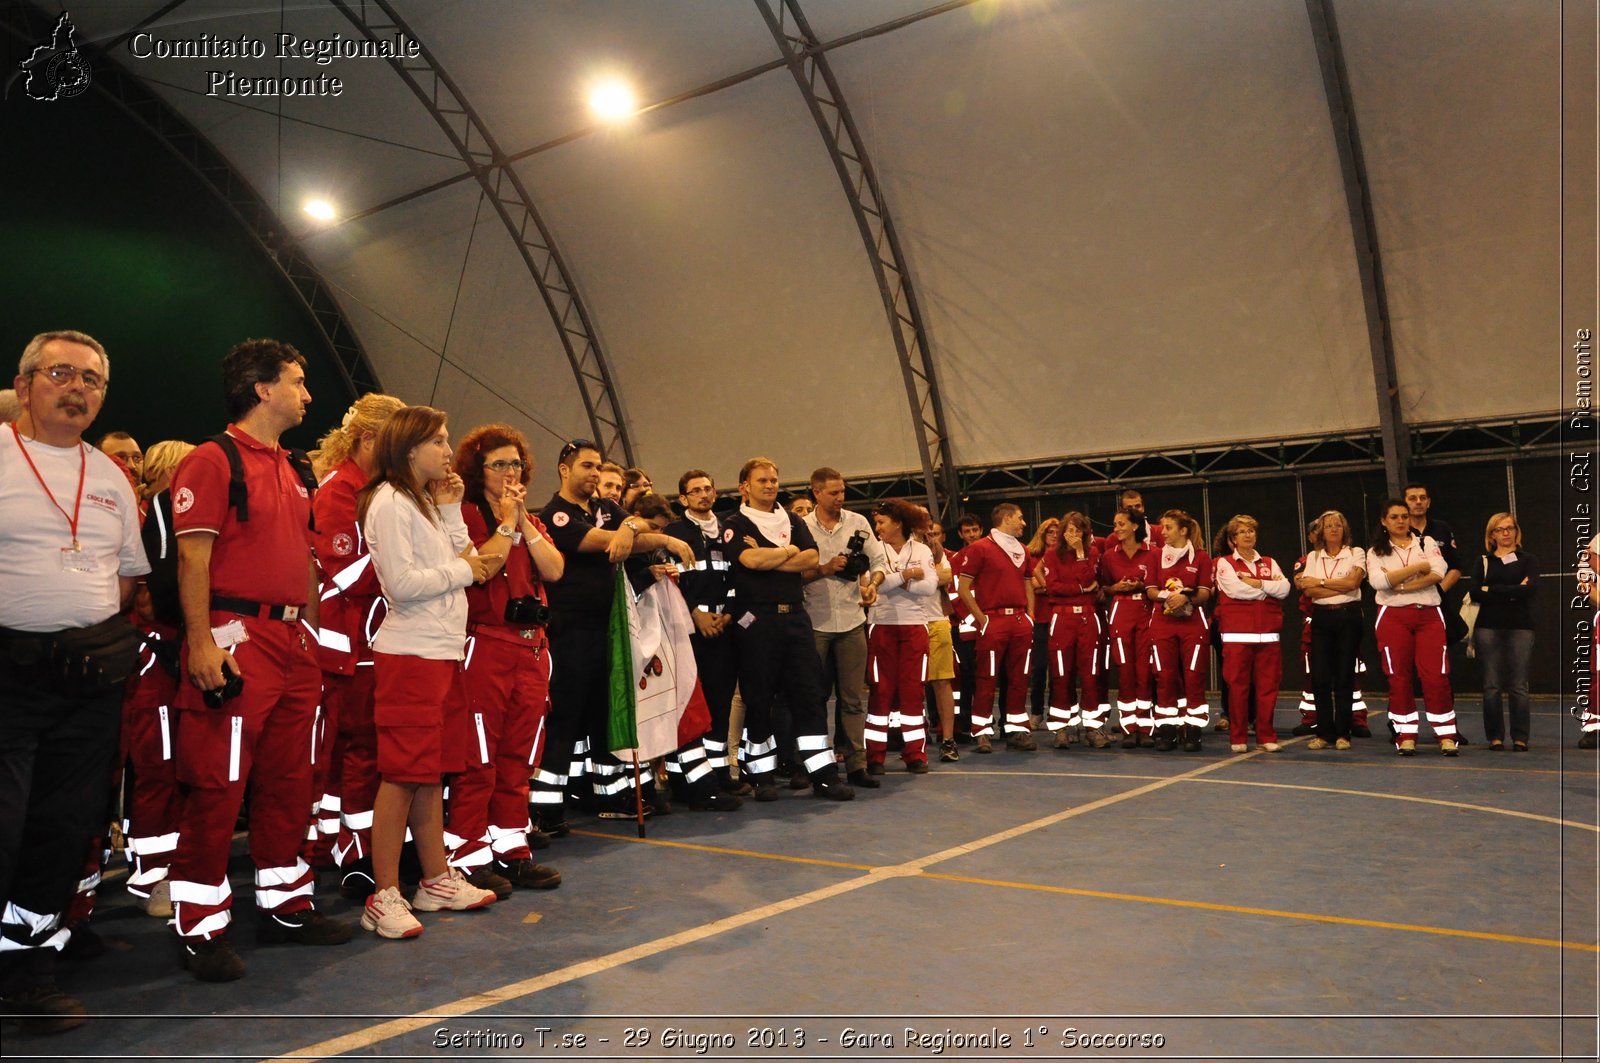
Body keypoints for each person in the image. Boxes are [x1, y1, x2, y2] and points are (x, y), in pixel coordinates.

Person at [167, 338, 352, 982]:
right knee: (219, 785)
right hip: (236, 637)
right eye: (298, 382)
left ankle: (284, 904)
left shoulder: (294, 466)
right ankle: (198, 924)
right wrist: (200, 643)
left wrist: (314, 639)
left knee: (289, 780)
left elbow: (305, 561)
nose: (308, 393)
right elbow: (192, 558)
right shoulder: (211, 461)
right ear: (262, 389)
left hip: (292, 643)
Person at [0, 330, 147, 1032]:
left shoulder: (113, 476)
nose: (78, 387)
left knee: (63, 831)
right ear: (25, 385)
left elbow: (124, 577)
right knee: (4, 825)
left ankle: (27, 970)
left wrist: (88, 631)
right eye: (61, 372)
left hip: (88, 682)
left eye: (93, 378)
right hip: (8, 675)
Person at [358, 406, 499, 940]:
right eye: (437, 441)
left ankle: (435, 878)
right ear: (408, 449)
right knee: (400, 775)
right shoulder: (390, 502)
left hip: (441, 654)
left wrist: (451, 510)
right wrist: (466, 570)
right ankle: (384, 893)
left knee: (430, 770)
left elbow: (461, 554)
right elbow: (402, 583)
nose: (447, 450)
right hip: (410, 656)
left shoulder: (421, 501)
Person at [531, 441, 693, 829]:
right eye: (586, 466)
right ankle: (545, 805)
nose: (594, 473)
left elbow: (643, 528)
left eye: (598, 466)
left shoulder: (606, 509)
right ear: (564, 470)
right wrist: (632, 535)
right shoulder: (557, 515)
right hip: (571, 630)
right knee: (566, 716)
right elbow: (599, 543)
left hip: (611, 626)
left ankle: (612, 794)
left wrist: (638, 529)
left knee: (609, 710)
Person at [447, 424, 565, 892]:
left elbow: (554, 568)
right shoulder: (465, 515)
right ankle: (469, 852)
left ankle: (512, 847)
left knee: (519, 756)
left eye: (515, 463)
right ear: (479, 471)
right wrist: (506, 524)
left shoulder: (528, 520)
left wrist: (522, 523)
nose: (509, 472)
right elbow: (483, 569)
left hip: (532, 648)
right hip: (487, 645)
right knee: (480, 755)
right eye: (499, 464)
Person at [306, 393, 405, 900]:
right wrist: (404, 555)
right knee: (351, 752)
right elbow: (348, 574)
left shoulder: (379, 488)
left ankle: (353, 846)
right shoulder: (339, 490)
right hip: (345, 644)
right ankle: (350, 853)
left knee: (369, 751)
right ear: (370, 438)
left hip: (377, 640)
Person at [727, 457, 853, 801]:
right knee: (759, 698)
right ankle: (762, 777)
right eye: (762, 480)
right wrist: (789, 552)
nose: (770, 485)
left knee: (809, 696)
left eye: (773, 480)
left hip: (795, 617)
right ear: (745, 487)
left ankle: (823, 775)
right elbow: (749, 562)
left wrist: (773, 556)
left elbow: (811, 558)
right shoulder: (736, 523)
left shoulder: (793, 519)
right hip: (756, 620)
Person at [122, 439, 196, 919]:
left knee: (179, 770)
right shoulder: (148, 520)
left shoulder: (172, 521)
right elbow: (148, 599)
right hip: (152, 661)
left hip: (175, 657)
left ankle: (173, 868)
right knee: (157, 770)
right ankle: (154, 877)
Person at [802, 467, 886, 789]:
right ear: (816, 493)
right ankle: (815, 766)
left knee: (852, 698)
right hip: (815, 622)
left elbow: (878, 562)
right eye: (833, 493)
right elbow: (794, 572)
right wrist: (825, 569)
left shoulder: (858, 523)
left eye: (842, 492)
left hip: (852, 621)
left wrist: (872, 584)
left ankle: (855, 765)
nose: (840, 498)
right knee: (814, 698)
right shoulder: (802, 527)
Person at [665, 470, 747, 794]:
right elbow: (671, 582)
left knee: (721, 702)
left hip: (723, 630)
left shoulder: (729, 530)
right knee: (686, 700)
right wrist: (694, 613)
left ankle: (719, 774)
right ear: (683, 498)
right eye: (695, 490)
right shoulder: (673, 533)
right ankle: (680, 777)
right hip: (688, 632)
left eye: (708, 488)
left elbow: (735, 580)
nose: (703, 494)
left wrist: (726, 616)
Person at [1367, 499, 1458, 756]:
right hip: (1392, 616)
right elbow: (1379, 581)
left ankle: (1446, 735)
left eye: (1404, 516)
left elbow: (1438, 572)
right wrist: (1419, 568)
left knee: (1436, 676)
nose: (1400, 521)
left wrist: (1402, 583)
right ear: (1384, 521)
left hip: (1429, 614)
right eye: (1394, 517)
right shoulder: (1375, 551)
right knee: (1398, 677)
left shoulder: (1426, 543)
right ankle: (1405, 735)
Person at [864, 499, 938, 774]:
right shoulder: (873, 548)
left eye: (882, 522)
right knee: (880, 692)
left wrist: (893, 579)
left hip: (915, 626)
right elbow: (874, 587)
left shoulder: (920, 549)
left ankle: (915, 755)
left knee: (913, 692)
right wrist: (908, 575)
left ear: (898, 522)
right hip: (881, 625)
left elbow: (930, 586)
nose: (877, 527)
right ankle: (875, 757)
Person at [956, 503, 1036, 753]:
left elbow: (1028, 584)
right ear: (1007, 518)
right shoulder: (980, 548)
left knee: (1019, 677)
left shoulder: (1023, 550)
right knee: (986, 678)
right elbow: (962, 589)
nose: (1024, 523)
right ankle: (981, 731)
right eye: (1020, 518)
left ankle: (1016, 730)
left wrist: (1030, 616)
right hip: (993, 621)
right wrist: (982, 619)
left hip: (1020, 622)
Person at [1212, 515, 1289, 754]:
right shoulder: (1224, 563)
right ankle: (1238, 736)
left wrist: (1256, 583)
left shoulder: (1269, 561)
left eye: (1251, 531)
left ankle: (1266, 735)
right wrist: (1267, 588)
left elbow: (1285, 589)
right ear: (1232, 539)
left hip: (1268, 636)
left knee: (1268, 688)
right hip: (1237, 637)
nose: (1248, 535)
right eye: (1242, 532)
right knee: (1238, 688)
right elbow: (1235, 591)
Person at [1293, 510, 1366, 750]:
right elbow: (1309, 592)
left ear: (1345, 529)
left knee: (1345, 676)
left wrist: (1321, 583)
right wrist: (1338, 587)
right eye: (1328, 526)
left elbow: (1353, 584)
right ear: (1321, 532)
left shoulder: (1356, 553)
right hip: (1322, 618)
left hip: (1348, 617)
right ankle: (1324, 734)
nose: (1334, 529)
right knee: (1321, 677)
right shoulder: (1313, 557)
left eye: (1338, 525)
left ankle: (1343, 733)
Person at [1034, 511, 1105, 748]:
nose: (1073, 535)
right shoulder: (1052, 555)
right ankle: (1062, 727)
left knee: (1090, 674)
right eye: (1070, 530)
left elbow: (1088, 580)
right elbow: (1053, 588)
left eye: (1078, 530)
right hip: (1061, 619)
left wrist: (1081, 556)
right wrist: (1082, 589)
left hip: (1087, 618)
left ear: (1085, 533)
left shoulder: (1092, 553)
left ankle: (1094, 728)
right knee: (1061, 674)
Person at [1145, 510, 1212, 752]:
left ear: (1183, 531)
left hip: (1193, 625)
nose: (1162, 532)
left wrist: (1186, 597)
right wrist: (1168, 597)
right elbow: (1151, 591)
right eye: (1162, 527)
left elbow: (1205, 593)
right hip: (1162, 624)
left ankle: (1193, 731)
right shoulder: (1155, 556)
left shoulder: (1201, 557)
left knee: (1194, 676)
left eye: (1168, 528)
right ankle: (1168, 732)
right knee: (1164, 676)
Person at [1469, 513, 1537, 751]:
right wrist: (1512, 589)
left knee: (1519, 686)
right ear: (1492, 535)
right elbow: (1476, 592)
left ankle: (1520, 737)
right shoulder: (1483, 561)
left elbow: (1530, 590)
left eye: (1510, 528)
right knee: (1492, 686)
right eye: (1500, 529)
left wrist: (1494, 589)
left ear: (1517, 532)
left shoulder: (1527, 560)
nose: (1506, 533)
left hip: (1520, 626)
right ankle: (1495, 736)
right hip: (1488, 627)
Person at [1098, 507, 1157, 747]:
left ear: (1135, 526)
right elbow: (1102, 589)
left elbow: (1159, 584)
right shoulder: (1109, 556)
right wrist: (1116, 588)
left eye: (1122, 523)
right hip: (1120, 613)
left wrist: (1141, 586)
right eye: (1115, 524)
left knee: (1145, 670)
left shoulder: (1153, 553)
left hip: (1145, 613)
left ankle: (1146, 726)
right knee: (1125, 671)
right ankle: (1128, 727)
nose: (1117, 528)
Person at [918, 518, 960, 762]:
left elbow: (947, 576)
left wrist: (915, 575)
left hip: (937, 620)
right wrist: (932, 574)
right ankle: (915, 740)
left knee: (943, 682)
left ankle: (948, 740)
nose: (925, 527)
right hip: (908, 622)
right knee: (910, 686)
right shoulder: (892, 547)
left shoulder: (935, 548)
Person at [1025, 517, 1061, 727]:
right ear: (1042, 534)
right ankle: (1037, 712)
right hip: (1038, 618)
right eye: (1050, 532)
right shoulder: (1032, 557)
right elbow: (1031, 584)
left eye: (1057, 532)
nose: (1054, 536)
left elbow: (1055, 585)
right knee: (1039, 668)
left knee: (1058, 669)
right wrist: (1050, 587)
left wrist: (1044, 586)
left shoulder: (1062, 556)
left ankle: (1056, 712)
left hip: (1058, 617)